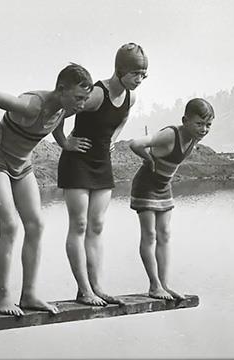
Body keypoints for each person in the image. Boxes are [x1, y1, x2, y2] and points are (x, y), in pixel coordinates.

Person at [0, 63, 94, 316]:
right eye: (79, 98)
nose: (82, 105)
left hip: (22, 164)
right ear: (61, 90)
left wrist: (65, 143)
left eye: (85, 99)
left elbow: (57, 123)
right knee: (9, 225)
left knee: (36, 225)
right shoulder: (31, 105)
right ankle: (2, 298)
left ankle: (29, 294)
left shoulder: (65, 107)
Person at [53, 43, 148, 306]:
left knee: (96, 226)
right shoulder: (96, 95)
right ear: (120, 70)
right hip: (77, 162)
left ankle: (97, 286)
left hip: (101, 163)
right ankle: (84, 290)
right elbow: (59, 110)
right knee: (79, 225)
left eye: (144, 74)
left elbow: (123, 118)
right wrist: (64, 142)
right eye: (135, 74)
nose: (139, 80)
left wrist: (113, 140)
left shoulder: (131, 96)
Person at [128, 98, 215, 300]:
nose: (204, 129)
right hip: (146, 185)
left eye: (208, 125)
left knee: (165, 234)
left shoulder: (194, 137)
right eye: (199, 124)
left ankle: (165, 284)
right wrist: (149, 159)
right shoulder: (170, 134)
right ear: (185, 120)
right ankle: (154, 285)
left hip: (163, 187)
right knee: (149, 235)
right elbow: (135, 143)